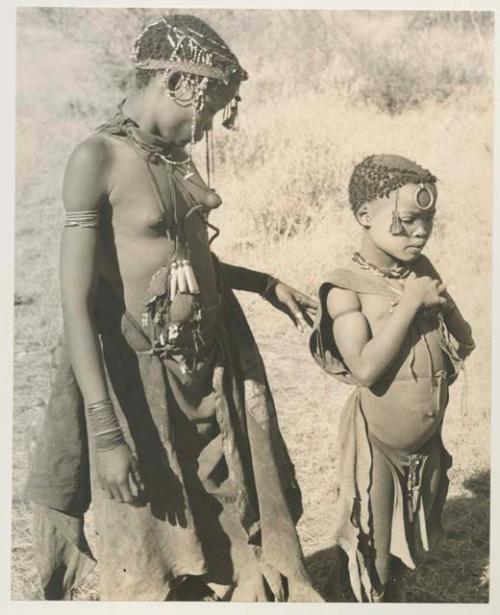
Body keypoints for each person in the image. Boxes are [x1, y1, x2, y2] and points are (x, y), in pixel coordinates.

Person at [25, 15, 321, 602]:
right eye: (210, 110)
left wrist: (263, 282)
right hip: (142, 379)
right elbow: (76, 304)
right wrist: (108, 436)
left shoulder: (172, 156)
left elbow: (184, 259)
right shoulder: (97, 159)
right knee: (158, 539)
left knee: (231, 516)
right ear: (181, 82)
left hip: (210, 366)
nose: (209, 126)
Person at [309, 154, 475, 602]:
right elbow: (363, 367)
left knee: (407, 556)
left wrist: (443, 305)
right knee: (373, 559)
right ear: (365, 216)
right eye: (406, 221)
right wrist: (409, 305)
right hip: (379, 449)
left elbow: (465, 340)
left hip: (425, 447)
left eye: (429, 220)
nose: (420, 232)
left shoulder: (421, 271)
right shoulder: (345, 288)